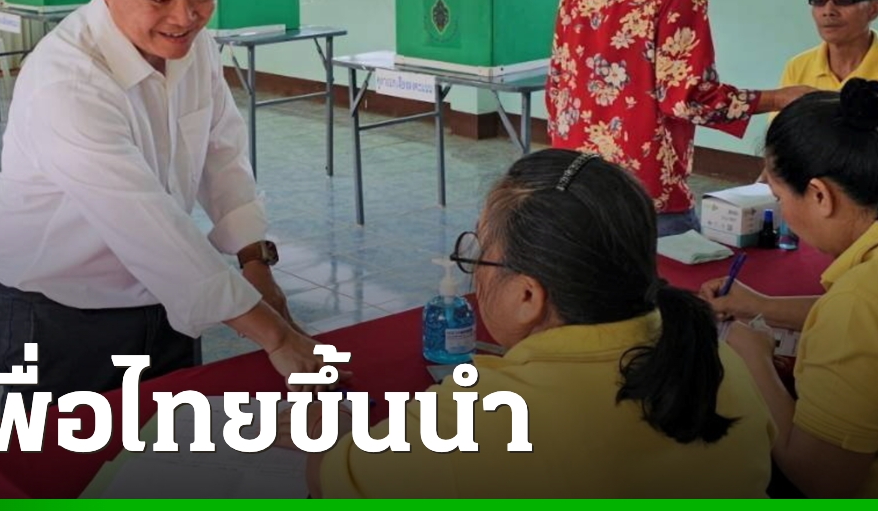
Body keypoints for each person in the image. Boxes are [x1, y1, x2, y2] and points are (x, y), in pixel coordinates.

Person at [0, 0, 330, 403]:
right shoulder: (67, 82)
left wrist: (255, 262)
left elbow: (222, 155)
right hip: (59, 318)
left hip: (166, 302)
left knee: (172, 445)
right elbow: (148, 227)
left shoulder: (193, 45)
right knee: (64, 455)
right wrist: (276, 337)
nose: (185, 18)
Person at [277, 149, 774, 498]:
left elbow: (331, 480)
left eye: (481, 253)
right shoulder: (714, 358)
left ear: (528, 296)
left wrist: (336, 431)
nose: (475, 271)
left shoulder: (483, 417)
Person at [546, 0, 812, 237]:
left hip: (577, 175)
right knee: (667, 272)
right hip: (644, 188)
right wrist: (779, 98)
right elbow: (688, 98)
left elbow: (560, 77)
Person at [713, 79, 878, 498]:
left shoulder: (855, 304)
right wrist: (760, 304)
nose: (782, 212)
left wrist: (754, 360)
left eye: (779, 196)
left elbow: (823, 480)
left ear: (820, 195)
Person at [781, 0, 878, 92]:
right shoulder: (798, 67)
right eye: (819, 0)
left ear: (873, 9)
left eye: (844, 0)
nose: (828, 11)